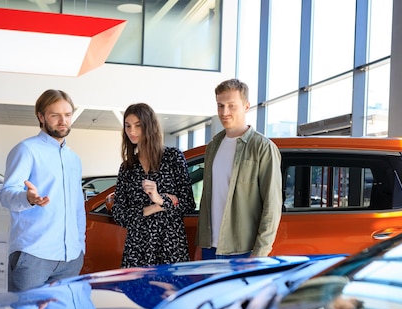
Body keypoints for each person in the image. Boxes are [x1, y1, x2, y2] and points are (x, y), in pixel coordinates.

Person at [0, 89, 86, 292]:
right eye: (55, 115)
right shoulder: (27, 150)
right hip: (34, 256)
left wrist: (80, 246)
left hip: (70, 259)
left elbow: (77, 207)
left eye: (67, 115)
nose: (62, 121)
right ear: (41, 116)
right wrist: (27, 198)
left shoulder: (74, 159)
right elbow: (6, 195)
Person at [196, 78, 282, 260]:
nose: (224, 112)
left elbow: (272, 205)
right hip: (209, 249)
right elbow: (207, 198)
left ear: (246, 106)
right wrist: (200, 245)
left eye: (231, 105)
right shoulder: (213, 146)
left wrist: (259, 254)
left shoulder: (262, 147)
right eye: (220, 106)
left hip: (243, 251)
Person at [111, 103, 195, 268]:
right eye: (128, 126)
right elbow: (119, 214)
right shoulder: (128, 167)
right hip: (137, 247)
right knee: (136, 292)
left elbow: (188, 203)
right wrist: (156, 207)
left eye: (138, 125)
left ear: (149, 126)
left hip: (170, 245)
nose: (132, 132)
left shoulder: (173, 157)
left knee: (169, 293)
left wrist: (159, 198)